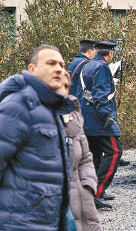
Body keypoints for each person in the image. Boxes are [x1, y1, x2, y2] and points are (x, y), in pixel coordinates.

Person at [0, 45, 75, 230]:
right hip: (19, 223)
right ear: (32, 69)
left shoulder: (49, 109)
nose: (58, 69)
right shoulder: (19, 106)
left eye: (61, 64)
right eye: (50, 63)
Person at [79, 40, 122, 209]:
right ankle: (98, 192)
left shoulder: (88, 65)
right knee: (115, 151)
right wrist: (108, 116)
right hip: (100, 120)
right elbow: (100, 95)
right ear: (110, 54)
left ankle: (90, 193)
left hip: (88, 118)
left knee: (95, 156)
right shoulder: (103, 67)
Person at [59, 71, 102, 230]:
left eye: (65, 87)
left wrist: (88, 186)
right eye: (55, 86)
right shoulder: (32, 118)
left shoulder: (73, 116)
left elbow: (85, 158)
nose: (61, 91)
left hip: (81, 200)